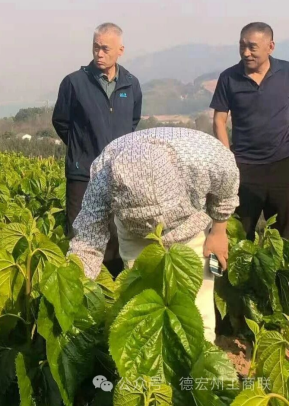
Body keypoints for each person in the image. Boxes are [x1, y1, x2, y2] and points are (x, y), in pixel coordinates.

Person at [68, 128, 240, 343]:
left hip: (190, 227)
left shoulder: (206, 158)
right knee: (140, 303)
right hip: (135, 235)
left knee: (197, 305)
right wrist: (74, 286)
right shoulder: (105, 173)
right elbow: (88, 240)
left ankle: (200, 352)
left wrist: (219, 231)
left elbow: (226, 192)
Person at [52, 23, 142, 269]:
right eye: (95, 48)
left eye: (105, 49)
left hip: (117, 174)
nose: (99, 54)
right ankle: (83, 287)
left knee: (116, 237)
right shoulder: (74, 83)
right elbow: (61, 121)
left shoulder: (131, 84)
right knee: (81, 238)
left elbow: (132, 122)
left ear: (120, 50)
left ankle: (111, 286)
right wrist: (81, 146)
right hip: (83, 174)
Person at [211, 22, 289, 240]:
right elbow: (219, 120)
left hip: (283, 166)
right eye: (242, 46)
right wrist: (227, 158)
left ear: (270, 47)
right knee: (239, 235)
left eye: (252, 47)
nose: (246, 53)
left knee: (284, 238)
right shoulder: (229, 77)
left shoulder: (286, 72)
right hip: (243, 168)